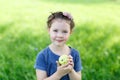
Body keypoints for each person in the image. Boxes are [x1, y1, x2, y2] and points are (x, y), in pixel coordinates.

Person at [34, 11, 82, 80]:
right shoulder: (43, 56)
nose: (60, 35)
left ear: (70, 32)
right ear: (49, 30)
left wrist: (71, 70)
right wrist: (59, 74)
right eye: (55, 31)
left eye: (65, 31)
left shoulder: (74, 54)